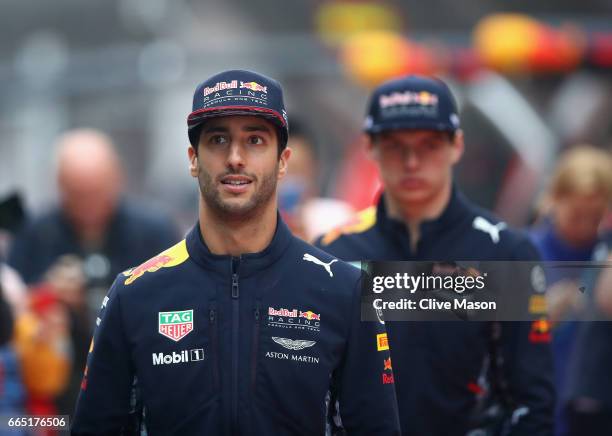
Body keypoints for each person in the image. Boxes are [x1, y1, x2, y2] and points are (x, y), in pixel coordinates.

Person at [72, 69, 400, 435]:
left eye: (255, 140)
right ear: (193, 158)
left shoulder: (347, 289)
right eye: (218, 140)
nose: (236, 157)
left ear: (284, 160)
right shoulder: (134, 294)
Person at [315, 75, 555, 435]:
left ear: (457, 145)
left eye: (429, 145)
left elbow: (533, 402)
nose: (412, 161)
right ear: (369, 147)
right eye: (395, 145)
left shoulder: (506, 252)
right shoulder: (332, 254)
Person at [529, 145, 612, 435]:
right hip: (538, 407)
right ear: (555, 199)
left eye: (595, 216)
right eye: (577, 214)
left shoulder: (604, 256)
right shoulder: (525, 252)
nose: (586, 226)